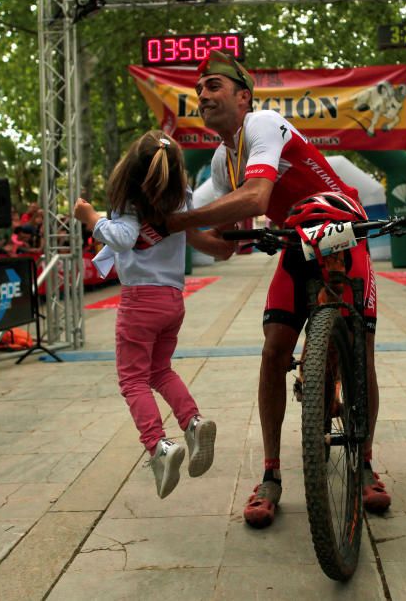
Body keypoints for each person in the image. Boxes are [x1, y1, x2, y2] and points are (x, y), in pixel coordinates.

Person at [164, 50, 389, 528]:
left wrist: (181, 218)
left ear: (243, 97)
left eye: (214, 87)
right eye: (199, 89)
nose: (203, 94)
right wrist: (172, 227)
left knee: (362, 350)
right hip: (297, 237)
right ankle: (270, 473)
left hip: (342, 228)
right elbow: (222, 248)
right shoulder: (224, 160)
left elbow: (256, 198)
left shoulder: (262, 123)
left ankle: (364, 461)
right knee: (272, 352)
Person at [73, 130, 235, 499]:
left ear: (130, 169)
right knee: (160, 370)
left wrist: (92, 218)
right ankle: (193, 423)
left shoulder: (130, 201)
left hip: (139, 301)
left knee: (132, 380)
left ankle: (159, 446)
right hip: (173, 300)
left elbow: (124, 237)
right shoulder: (182, 197)